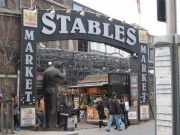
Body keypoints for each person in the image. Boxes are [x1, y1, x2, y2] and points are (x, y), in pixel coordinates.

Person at [43, 61, 67, 129]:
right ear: (58, 66)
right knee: (53, 107)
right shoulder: (56, 70)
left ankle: (47, 124)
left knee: (47, 107)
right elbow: (64, 76)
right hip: (53, 89)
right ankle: (52, 125)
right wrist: (64, 70)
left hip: (47, 89)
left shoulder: (46, 71)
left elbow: (43, 83)